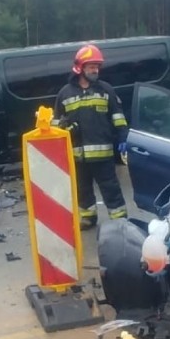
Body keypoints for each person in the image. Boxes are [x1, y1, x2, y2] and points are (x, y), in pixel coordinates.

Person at [53, 44, 129, 230]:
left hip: (103, 154)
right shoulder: (65, 93)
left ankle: (120, 221)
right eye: (91, 66)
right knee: (83, 189)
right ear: (80, 68)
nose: (95, 70)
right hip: (78, 155)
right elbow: (55, 123)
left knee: (111, 189)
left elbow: (118, 117)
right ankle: (88, 218)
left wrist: (123, 138)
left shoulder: (106, 90)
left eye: (97, 66)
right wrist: (63, 128)